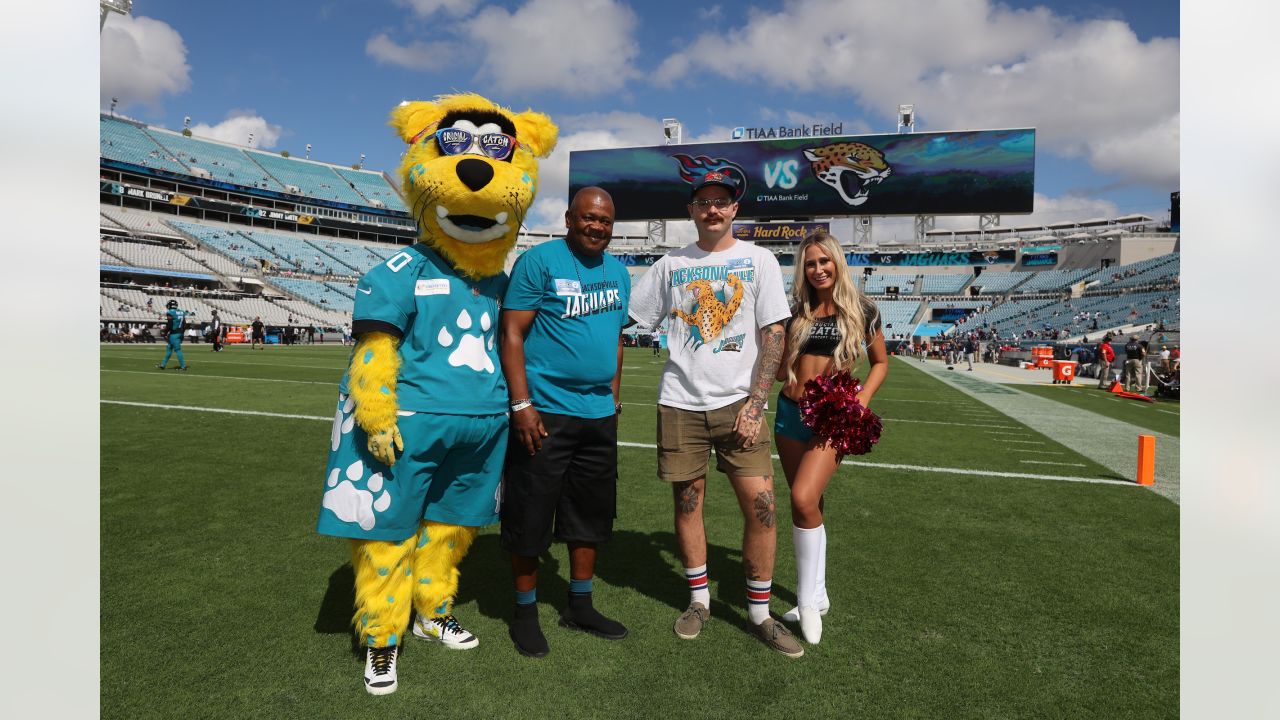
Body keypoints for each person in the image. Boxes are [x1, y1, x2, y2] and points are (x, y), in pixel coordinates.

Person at [628, 171, 802, 657]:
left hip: (739, 405)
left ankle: (760, 613)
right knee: (688, 505)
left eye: (722, 201)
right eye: (703, 201)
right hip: (680, 402)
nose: (712, 209)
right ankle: (699, 600)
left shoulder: (759, 259)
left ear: (734, 210)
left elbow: (774, 333)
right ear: (691, 210)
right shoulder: (669, 264)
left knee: (763, 509)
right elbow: (634, 317)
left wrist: (756, 402)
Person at [498, 187, 631, 657]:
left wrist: (613, 398)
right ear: (570, 218)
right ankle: (525, 611)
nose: (597, 226)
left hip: (597, 416)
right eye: (589, 218)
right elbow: (512, 333)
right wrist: (521, 405)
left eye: (606, 221)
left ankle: (580, 604)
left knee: (588, 517)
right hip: (546, 412)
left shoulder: (619, 271)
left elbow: (615, 337)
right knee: (530, 514)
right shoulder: (539, 262)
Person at [773, 231, 888, 644]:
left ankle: (805, 602)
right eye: (809, 263)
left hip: (832, 417)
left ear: (837, 263)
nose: (818, 269)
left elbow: (879, 363)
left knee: (802, 499)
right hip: (789, 412)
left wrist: (861, 400)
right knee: (811, 504)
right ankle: (818, 594)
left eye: (824, 261)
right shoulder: (794, 310)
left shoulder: (863, 310)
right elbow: (777, 361)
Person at [156, 299, 189, 370]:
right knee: (169, 348)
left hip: (174, 334)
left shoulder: (170, 312)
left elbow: (170, 324)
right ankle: (163, 365)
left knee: (177, 350)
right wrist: (182, 333)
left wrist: (165, 332)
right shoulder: (181, 312)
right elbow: (184, 324)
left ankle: (183, 366)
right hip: (179, 333)